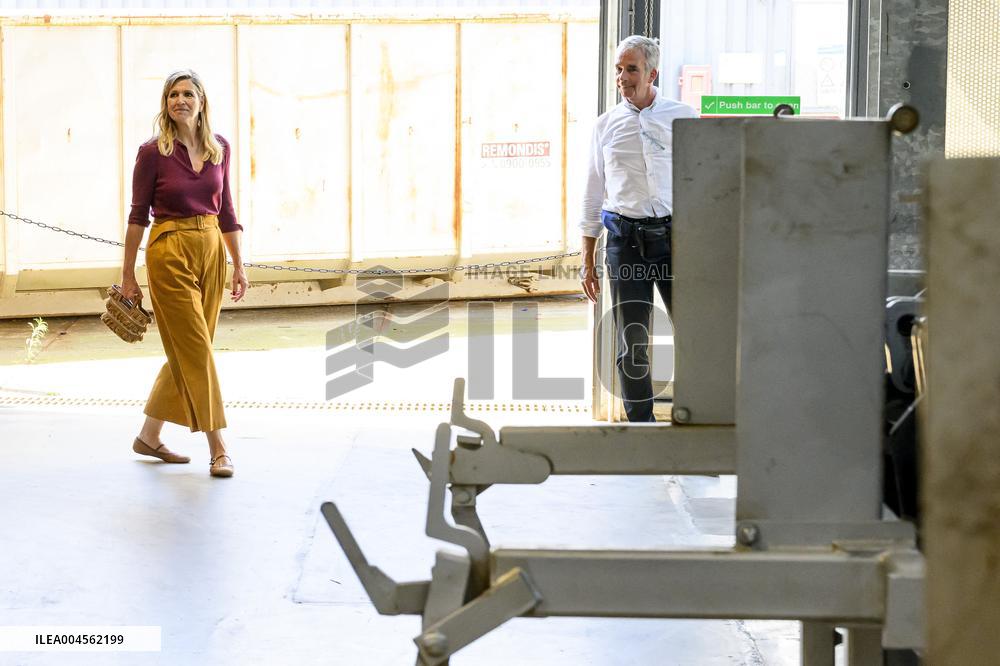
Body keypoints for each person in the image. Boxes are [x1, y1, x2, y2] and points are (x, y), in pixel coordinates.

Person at [120, 69, 249, 477]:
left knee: (191, 348)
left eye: (188, 93)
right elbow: (138, 216)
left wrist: (238, 265)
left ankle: (149, 435)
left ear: (201, 101)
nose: (180, 100)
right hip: (168, 249)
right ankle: (219, 446)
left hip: (212, 249)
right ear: (166, 103)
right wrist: (127, 275)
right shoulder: (152, 152)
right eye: (173, 94)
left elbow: (226, 210)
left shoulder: (219, 148)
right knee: (196, 348)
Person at [580, 35, 697, 422]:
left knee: (695, 336)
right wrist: (587, 258)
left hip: (676, 241)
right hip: (624, 242)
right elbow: (593, 193)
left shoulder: (682, 117)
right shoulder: (605, 126)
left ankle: (697, 418)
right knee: (632, 341)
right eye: (618, 68)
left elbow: (704, 181)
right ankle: (641, 428)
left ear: (652, 73)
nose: (622, 77)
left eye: (631, 68)